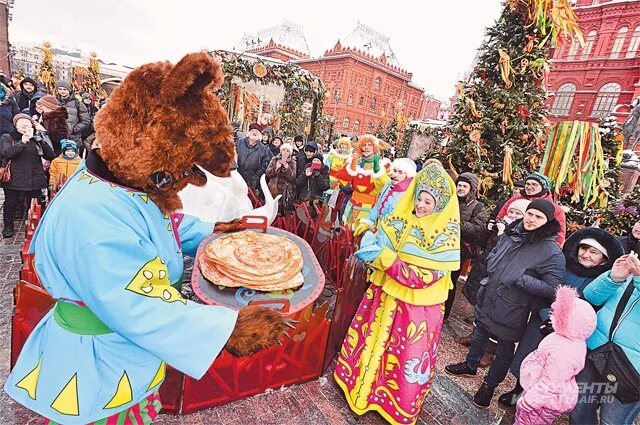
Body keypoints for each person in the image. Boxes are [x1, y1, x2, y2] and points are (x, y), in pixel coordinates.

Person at [335, 163, 460, 425]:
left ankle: (390, 401)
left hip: (414, 311)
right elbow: (382, 241)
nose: (421, 205)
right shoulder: (402, 219)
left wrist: (384, 258)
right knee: (370, 339)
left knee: (402, 354)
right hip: (383, 297)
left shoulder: (445, 238)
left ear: (440, 206)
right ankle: (359, 386)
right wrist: (370, 237)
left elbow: (423, 278)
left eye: (428, 201)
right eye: (419, 198)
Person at [445, 199, 565, 408]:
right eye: (530, 214)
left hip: (513, 309)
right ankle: (470, 364)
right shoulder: (512, 233)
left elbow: (552, 288)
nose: (531, 219)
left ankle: (489, 386)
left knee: (503, 350)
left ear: (547, 222)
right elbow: (495, 255)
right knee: (479, 333)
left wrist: (520, 278)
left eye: (538, 217)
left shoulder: (551, 252)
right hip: (489, 295)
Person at [499, 226, 624, 406]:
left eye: (594, 252)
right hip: (543, 323)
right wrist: (546, 316)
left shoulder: (603, 282)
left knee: (553, 370)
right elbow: (542, 293)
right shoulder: (561, 267)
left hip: (570, 338)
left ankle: (539, 399)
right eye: (584, 248)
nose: (586, 254)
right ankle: (518, 390)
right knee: (531, 358)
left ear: (604, 259)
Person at [570, 252, 640, 425]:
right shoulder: (633, 268)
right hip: (598, 350)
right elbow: (591, 296)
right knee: (579, 406)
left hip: (631, 367)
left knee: (612, 420)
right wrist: (613, 278)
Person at [514, 286, 597, 425]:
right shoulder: (569, 338)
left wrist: (530, 401)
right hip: (539, 392)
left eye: (557, 314)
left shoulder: (565, 353)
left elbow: (551, 384)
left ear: (568, 321)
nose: (552, 315)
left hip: (542, 402)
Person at [1, 113, 55, 238]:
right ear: (15, 125)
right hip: (14, 178)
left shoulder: (36, 138)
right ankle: (8, 226)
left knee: (35, 205)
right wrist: (23, 142)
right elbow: (7, 153)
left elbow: (50, 155)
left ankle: (36, 226)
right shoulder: (8, 137)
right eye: (21, 123)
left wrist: (40, 139)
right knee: (10, 203)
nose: (25, 125)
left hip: (34, 177)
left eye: (27, 122)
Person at [445, 172, 487, 320]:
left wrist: (455, 223)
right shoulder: (449, 200)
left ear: (471, 188)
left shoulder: (477, 207)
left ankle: (444, 314)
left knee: (450, 282)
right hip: (442, 245)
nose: (461, 188)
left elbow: (478, 228)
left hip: (459, 250)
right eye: (459, 185)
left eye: (464, 186)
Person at [335, 134, 390, 229]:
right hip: (352, 203)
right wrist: (353, 164)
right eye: (364, 145)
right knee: (347, 231)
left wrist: (377, 168)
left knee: (361, 232)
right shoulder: (355, 161)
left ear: (375, 147)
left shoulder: (384, 165)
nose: (367, 147)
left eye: (370, 145)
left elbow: (386, 186)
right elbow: (342, 179)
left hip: (369, 207)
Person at [496, 172, 566, 246]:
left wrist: (555, 244)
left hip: (535, 243)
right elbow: (502, 213)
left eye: (534, 184)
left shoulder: (554, 208)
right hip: (509, 238)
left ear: (543, 187)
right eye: (527, 184)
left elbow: (560, 231)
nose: (529, 187)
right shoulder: (516, 198)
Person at [353, 157, 416, 236]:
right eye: (395, 171)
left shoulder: (407, 194)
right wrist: (368, 221)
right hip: (378, 227)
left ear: (408, 176)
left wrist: (378, 231)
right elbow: (378, 206)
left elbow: (396, 218)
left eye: (400, 172)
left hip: (391, 233)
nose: (395, 175)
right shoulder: (388, 185)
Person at [236, 122, 273, 201]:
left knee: (248, 203)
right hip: (237, 177)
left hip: (252, 181)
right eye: (253, 130)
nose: (255, 132)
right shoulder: (239, 142)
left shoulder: (264, 149)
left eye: (257, 132)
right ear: (249, 133)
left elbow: (265, 165)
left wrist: (256, 177)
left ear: (260, 135)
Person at [55, 80, 90, 154]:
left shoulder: (78, 104)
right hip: (57, 138)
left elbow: (85, 121)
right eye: (60, 89)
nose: (62, 91)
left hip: (73, 139)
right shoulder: (55, 102)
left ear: (69, 90)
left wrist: (74, 129)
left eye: (64, 89)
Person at [265, 143, 297, 214]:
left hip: (285, 191)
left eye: (287, 151)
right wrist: (276, 167)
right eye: (284, 150)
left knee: (282, 212)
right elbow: (267, 174)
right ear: (281, 151)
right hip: (272, 189)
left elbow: (292, 178)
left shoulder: (292, 162)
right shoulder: (274, 159)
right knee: (271, 210)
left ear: (290, 153)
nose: (285, 152)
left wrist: (287, 168)